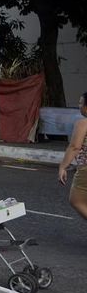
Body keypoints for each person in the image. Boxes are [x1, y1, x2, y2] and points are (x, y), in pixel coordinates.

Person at [56, 91, 87, 220]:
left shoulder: (83, 123)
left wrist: (63, 167)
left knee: (76, 200)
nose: (79, 106)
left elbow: (75, 146)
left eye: (80, 103)